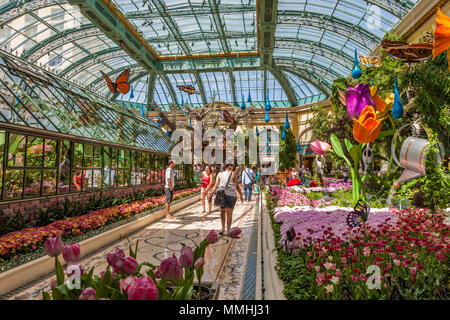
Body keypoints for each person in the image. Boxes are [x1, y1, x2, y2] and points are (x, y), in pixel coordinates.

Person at [209, 163, 243, 234]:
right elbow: (236, 186)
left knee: (222, 212)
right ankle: (227, 230)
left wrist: (211, 194)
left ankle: (223, 229)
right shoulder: (233, 174)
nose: (234, 166)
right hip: (231, 196)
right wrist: (241, 195)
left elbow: (215, 186)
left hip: (222, 195)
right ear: (229, 165)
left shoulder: (220, 174)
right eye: (233, 165)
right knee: (229, 213)